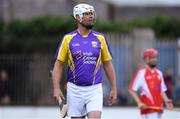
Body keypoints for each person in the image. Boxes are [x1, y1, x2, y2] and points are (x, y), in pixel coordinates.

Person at [52, 3, 117, 119]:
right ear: (77, 17)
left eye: (91, 13)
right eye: (86, 14)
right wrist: (56, 89)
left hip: (95, 88)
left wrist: (114, 88)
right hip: (74, 90)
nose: (91, 16)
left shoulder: (100, 38)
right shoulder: (68, 39)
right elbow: (58, 65)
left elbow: (107, 64)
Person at [129, 48, 174, 119]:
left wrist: (166, 100)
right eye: (152, 57)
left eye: (156, 57)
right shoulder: (141, 73)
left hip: (159, 109)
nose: (155, 59)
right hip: (147, 111)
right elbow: (132, 90)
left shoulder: (159, 73)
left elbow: (162, 91)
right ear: (146, 59)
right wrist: (139, 103)